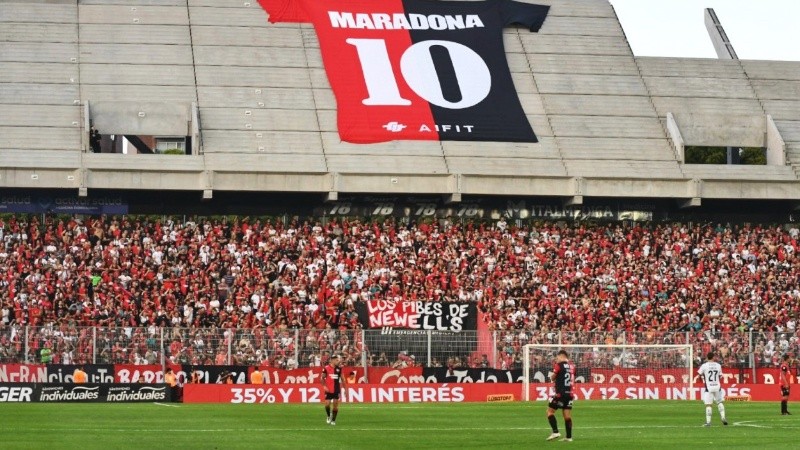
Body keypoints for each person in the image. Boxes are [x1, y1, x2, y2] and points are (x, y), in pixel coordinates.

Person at [546, 350, 574, 442]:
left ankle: (555, 432)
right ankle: (569, 437)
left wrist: (552, 377)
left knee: (550, 412)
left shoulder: (558, 365)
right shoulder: (572, 366)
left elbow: (553, 377)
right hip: (569, 394)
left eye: (557, 358)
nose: (556, 360)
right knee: (567, 416)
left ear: (561, 356)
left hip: (560, 394)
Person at [698, 351, 728, 426]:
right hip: (717, 386)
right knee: (719, 402)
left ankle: (708, 422)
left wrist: (702, 378)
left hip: (709, 387)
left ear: (707, 357)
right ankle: (723, 417)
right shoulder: (718, 365)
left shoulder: (704, 366)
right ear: (713, 357)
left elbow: (699, 374)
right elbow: (720, 376)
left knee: (708, 405)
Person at [322, 354, 347, 426]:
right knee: (327, 405)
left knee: (335, 406)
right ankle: (328, 415)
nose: (338, 361)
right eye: (336, 360)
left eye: (338, 360)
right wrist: (324, 386)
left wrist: (345, 390)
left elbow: (343, 380)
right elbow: (322, 378)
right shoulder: (326, 368)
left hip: (336, 389)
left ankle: (333, 420)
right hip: (328, 390)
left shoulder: (339, 369)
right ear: (332, 360)